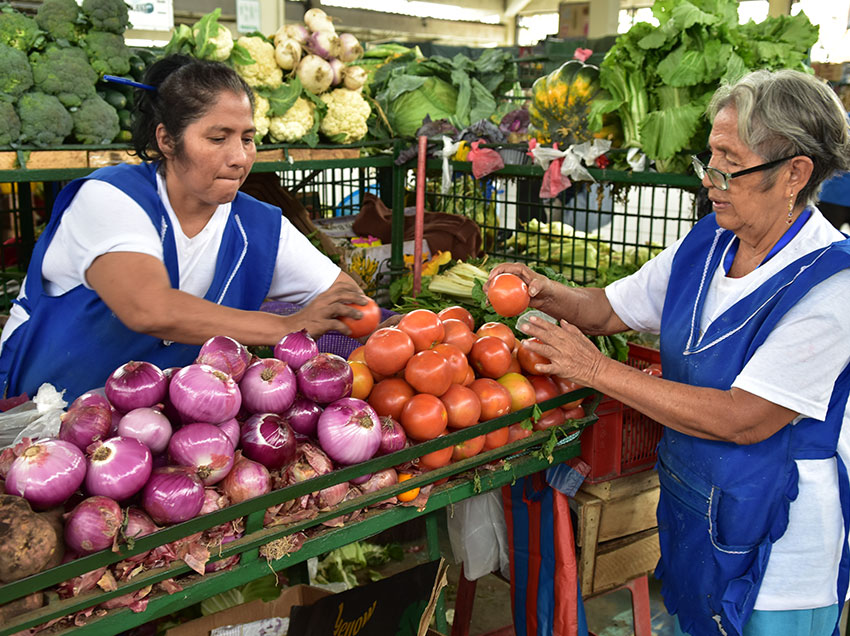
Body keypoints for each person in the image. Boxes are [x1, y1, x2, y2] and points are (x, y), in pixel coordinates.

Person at [487, 69, 850, 636]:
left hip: (780, 555)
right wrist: (546, 289)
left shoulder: (832, 283)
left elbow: (743, 418)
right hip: (690, 515)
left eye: (729, 162)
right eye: (710, 158)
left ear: (794, 173)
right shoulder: (709, 240)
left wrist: (596, 369)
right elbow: (609, 309)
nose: (711, 179)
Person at [0, 55, 370, 402]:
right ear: (166, 140)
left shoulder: (258, 226)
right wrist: (286, 327)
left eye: (247, 138)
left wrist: (380, 324)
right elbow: (149, 309)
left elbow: (345, 299)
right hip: (41, 421)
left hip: (165, 439)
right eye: (217, 138)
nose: (240, 157)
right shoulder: (110, 198)